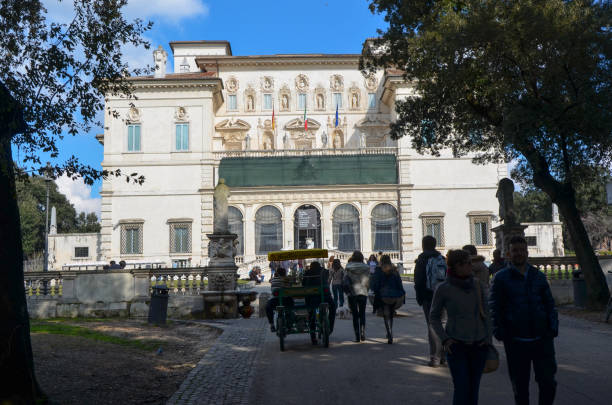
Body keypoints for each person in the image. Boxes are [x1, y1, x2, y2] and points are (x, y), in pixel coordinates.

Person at [489, 236, 558, 405]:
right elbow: (494, 308)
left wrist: (552, 328)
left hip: (542, 339)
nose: (519, 253)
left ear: (527, 252)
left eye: (522, 250)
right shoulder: (500, 278)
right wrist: (500, 332)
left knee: (548, 383)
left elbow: (550, 304)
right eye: (515, 250)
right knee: (520, 387)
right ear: (508, 254)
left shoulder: (538, 276)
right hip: (516, 340)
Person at [430, 249, 491, 405]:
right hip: (456, 345)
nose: (471, 266)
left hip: (478, 344)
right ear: (457, 266)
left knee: (473, 390)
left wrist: (488, 339)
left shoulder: (477, 284)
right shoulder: (444, 288)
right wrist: (445, 339)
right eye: (468, 263)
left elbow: (487, 314)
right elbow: (434, 317)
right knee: (461, 389)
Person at [414, 235, 445, 367]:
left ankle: (435, 357)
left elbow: (418, 280)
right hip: (443, 295)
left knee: (432, 325)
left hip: (428, 296)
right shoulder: (442, 258)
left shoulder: (421, 259)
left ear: (423, 245)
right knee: (443, 324)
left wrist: (419, 297)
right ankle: (444, 355)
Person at [371, 255, 405, 344]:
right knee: (391, 315)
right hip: (394, 296)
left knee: (386, 315)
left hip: (384, 295)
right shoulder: (394, 270)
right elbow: (399, 284)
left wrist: (375, 291)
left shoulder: (378, 271)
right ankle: (390, 332)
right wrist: (402, 293)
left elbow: (375, 284)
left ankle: (389, 333)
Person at [303, 261, 336, 344]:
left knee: (311, 315)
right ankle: (330, 327)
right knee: (333, 307)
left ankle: (313, 336)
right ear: (320, 266)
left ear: (311, 266)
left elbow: (304, 284)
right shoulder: (324, 271)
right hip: (325, 297)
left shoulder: (307, 272)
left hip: (312, 299)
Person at [345, 250, 370, 342]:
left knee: (355, 315)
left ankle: (357, 335)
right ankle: (363, 332)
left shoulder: (348, 267)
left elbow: (345, 280)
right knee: (362, 313)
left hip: (352, 293)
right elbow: (368, 280)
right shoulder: (366, 267)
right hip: (363, 291)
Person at [266, 267, 293, 332]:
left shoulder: (273, 279)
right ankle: (289, 322)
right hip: (286, 300)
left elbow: (270, 281)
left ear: (277, 273)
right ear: (285, 273)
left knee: (267, 307)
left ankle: (272, 324)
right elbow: (290, 287)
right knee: (290, 307)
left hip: (275, 301)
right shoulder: (287, 279)